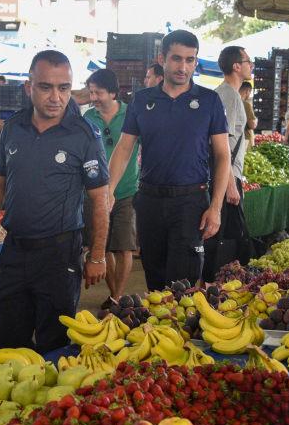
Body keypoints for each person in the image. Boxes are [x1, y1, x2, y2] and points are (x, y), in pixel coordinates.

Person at [0, 51, 109, 352]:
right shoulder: (12, 129)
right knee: (7, 338)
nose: (56, 97)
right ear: (29, 88)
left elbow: (99, 199)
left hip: (59, 255)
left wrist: (97, 254)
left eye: (64, 88)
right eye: (46, 87)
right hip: (14, 250)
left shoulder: (85, 135)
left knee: (54, 343)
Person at [106, 30, 230, 291]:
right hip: (149, 201)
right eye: (176, 58)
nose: (183, 67)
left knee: (182, 284)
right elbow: (124, 148)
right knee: (154, 278)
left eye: (190, 60)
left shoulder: (209, 101)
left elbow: (222, 154)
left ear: (196, 62)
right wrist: (108, 192)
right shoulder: (142, 100)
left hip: (191, 202)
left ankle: (179, 331)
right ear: (162, 58)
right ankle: (158, 331)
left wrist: (216, 207)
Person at [83, 69, 140, 309]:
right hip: (96, 192)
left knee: (124, 246)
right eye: (91, 92)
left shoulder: (131, 115)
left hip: (126, 190)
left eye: (98, 92)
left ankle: (117, 296)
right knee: (103, 245)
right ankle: (115, 295)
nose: (93, 97)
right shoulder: (87, 117)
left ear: (113, 93)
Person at [208, 46, 253, 278]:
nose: (251, 65)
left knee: (226, 235)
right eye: (248, 60)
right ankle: (214, 283)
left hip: (228, 174)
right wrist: (230, 183)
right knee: (223, 237)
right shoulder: (229, 96)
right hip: (226, 176)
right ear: (237, 66)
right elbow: (222, 143)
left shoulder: (229, 94)